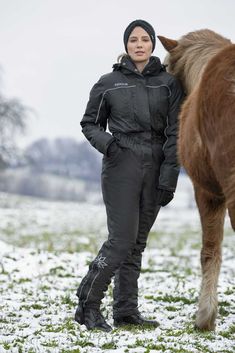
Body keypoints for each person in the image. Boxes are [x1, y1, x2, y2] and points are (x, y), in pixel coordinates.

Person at [75, 19, 184, 332]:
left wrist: (170, 176)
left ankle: (125, 311)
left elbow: (175, 132)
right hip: (121, 165)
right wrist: (109, 146)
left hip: (156, 166)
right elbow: (89, 124)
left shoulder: (169, 83)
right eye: (133, 39)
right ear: (126, 45)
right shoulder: (108, 82)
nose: (139, 44)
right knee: (121, 241)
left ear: (152, 45)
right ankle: (88, 305)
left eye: (145, 39)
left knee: (137, 244)